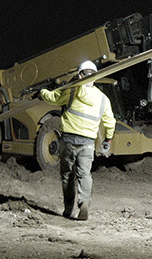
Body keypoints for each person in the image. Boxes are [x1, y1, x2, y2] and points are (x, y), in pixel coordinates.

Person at [39, 60, 116, 221]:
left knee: (67, 174)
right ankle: (84, 203)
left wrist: (42, 91)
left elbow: (53, 98)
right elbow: (110, 121)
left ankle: (68, 209)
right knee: (84, 174)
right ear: (95, 77)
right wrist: (108, 139)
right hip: (88, 143)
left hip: (68, 140)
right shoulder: (103, 99)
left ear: (79, 75)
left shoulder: (72, 91)